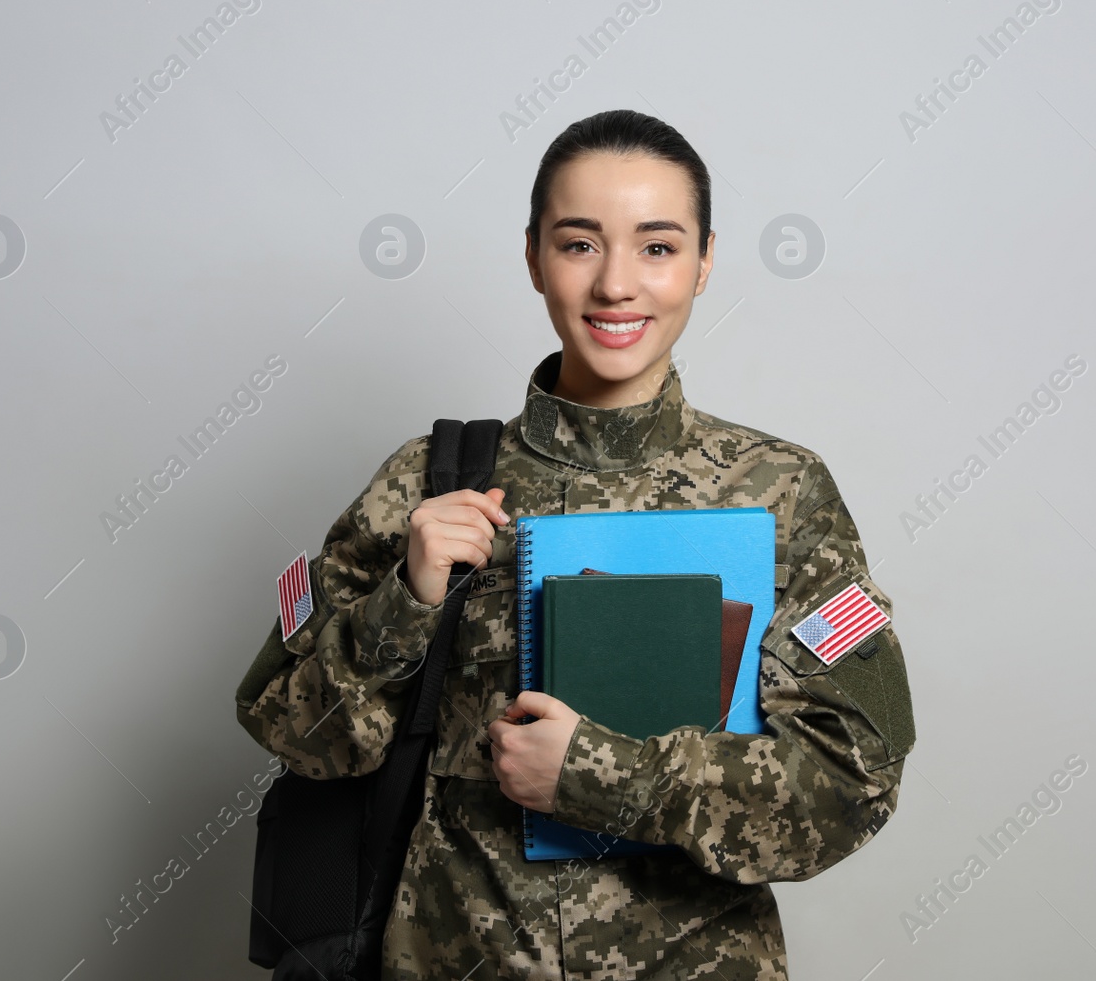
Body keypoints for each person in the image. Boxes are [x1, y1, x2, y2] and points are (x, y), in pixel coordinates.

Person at [235, 108, 915, 979]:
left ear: (706, 262)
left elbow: (856, 774)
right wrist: (403, 603)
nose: (617, 285)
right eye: (580, 243)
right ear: (533, 257)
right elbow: (288, 729)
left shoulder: (782, 491)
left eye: (659, 247)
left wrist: (605, 773)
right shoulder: (428, 479)